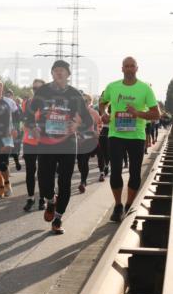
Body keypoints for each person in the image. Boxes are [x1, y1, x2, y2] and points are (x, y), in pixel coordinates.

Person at [25, 60, 93, 235]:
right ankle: (50, 200)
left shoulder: (75, 94)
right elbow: (29, 115)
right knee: (45, 180)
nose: (59, 73)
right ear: (52, 74)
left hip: (67, 144)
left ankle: (58, 218)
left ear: (68, 74)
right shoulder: (42, 91)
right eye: (56, 70)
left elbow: (88, 120)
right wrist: (33, 129)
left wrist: (77, 126)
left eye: (62, 70)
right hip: (46, 144)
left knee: (65, 182)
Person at [99, 58, 160, 222]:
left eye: (132, 66)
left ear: (137, 68)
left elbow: (156, 114)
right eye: (126, 66)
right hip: (116, 135)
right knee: (116, 169)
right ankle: (118, 205)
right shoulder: (112, 86)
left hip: (136, 136)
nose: (129, 68)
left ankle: (129, 204)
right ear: (122, 69)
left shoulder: (145, 88)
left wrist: (138, 113)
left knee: (134, 172)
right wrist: (103, 113)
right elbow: (102, 102)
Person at [21, 79, 45, 212]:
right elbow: (25, 121)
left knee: (43, 172)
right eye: (34, 88)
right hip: (29, 141)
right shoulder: (27, 103)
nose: (36, 91)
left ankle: (42, 198)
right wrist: (32, 130)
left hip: (44, 142)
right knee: (30, 171)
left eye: (39, 88)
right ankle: (30, 198)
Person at [76, 94, 102, 192]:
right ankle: (83, 178)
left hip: (90, 139)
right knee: (80, 162)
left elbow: (100, 123)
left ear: (89, 102)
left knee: (84, 160)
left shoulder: (94, 113)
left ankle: (83, 181)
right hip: (78, 140)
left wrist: (97, 132)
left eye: (85, 101)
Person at [4, 89, 23, 171]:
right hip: (5, 130)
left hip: (15, 129)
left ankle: (16, 162)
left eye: (9, 95)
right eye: (7, 95)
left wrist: (17, 129)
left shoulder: (17, 106)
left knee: (14, 148)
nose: (8, 97)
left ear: (12, 96)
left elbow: (19, 119)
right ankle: (7, 168)